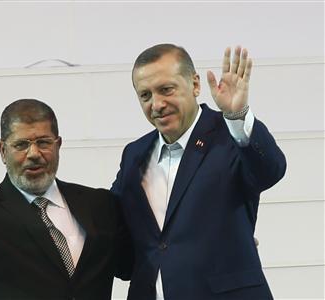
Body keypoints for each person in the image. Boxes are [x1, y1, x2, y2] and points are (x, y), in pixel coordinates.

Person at [111, 44, 287, 299]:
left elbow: (271, 170)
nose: (157, 104)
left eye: (166, 90)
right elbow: (113, 222)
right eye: (145, 95)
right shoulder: (134, 154)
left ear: (195, 84)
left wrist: (237, 115)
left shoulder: (230, 134)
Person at [0, 99, 132, 300]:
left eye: (44, 142)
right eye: (21, 145)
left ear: (58, 145)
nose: (34, 153)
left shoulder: (99, 204)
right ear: (2, 150)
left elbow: (131, 264)